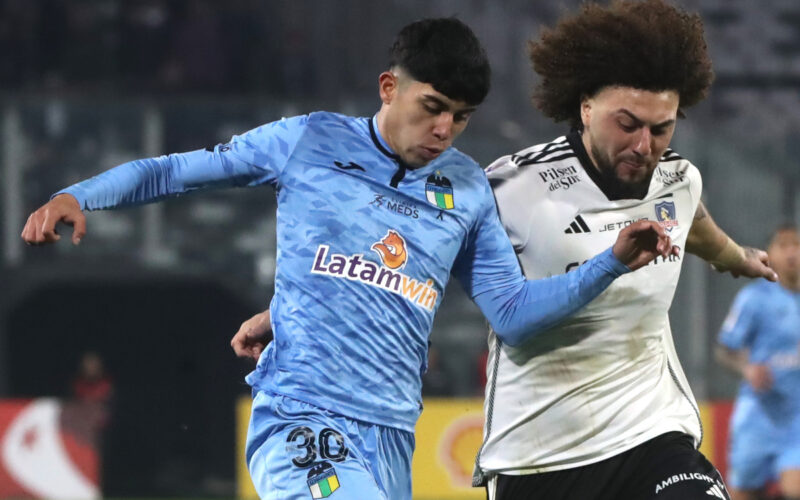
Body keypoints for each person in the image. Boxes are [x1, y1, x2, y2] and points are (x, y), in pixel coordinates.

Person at [22, 18, 677, 500]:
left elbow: (511, 314)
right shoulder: (309, 141)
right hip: (302, 416)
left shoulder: (468, 188)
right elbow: (181, 171)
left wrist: (609, 263)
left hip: (392, 435)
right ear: (389, 87)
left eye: (461, 117)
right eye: (432, 108)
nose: (444, 131)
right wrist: (81, 194)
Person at [472, 2, 778, 499]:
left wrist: (736, 258)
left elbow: (694, 223)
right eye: (628, 123)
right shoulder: (511, 189)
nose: (644, 145)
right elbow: (494, 303)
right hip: (539, 455)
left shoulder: (679, 179)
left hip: (651, 432)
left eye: (662, 128)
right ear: (585, 106)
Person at [716, 225, 800, 500]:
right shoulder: (754, 298)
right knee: (743, 493)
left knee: (795, 489)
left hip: (796, 418)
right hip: (758, 415)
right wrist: (748, 368)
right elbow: (725, 349)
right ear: (769, 255)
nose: (791, 252)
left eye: (797, 245)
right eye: (783, 245)